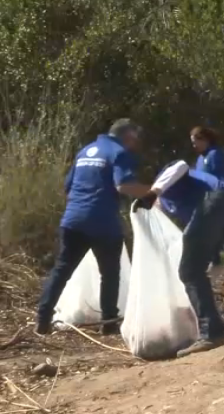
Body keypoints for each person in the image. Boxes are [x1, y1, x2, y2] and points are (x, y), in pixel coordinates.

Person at [35, 119, 150, 336]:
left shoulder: (85, 151)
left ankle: (42, 319)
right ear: (128, 135)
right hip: (103, 223)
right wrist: (154, 192)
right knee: (109, 273)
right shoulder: (119, 152)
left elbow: (68, 189)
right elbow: (124, 185)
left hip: (73, 220)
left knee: (61, 271)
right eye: (135, 137)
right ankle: (108, 323)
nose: (136, 142)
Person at [133, 160, 224, 357]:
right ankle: (216, 327)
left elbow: (180, 165)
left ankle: (213, 333)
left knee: (190, 272)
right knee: (196, 268)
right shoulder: (174, 203)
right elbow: (199, 228)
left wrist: (153, 192)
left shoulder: (166, 179)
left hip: (217, 198)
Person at [189, 126, 224, 279]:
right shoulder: (201, 158)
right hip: (204, 199)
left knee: (212, 232)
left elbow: (221, 178)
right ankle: (212, 263)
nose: (194, 146)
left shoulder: (215, 155)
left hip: (217, 199)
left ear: (205, 140)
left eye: (196, 142)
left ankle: (215, 264)